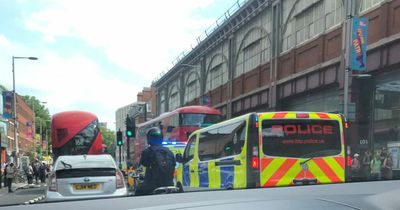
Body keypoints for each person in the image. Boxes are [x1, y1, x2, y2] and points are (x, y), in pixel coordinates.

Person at [135, 127, 175, 196]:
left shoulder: (146, 152)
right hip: (169, 185)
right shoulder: (169, 152)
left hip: (151, 187)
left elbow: (142, 167)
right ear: (161, 138)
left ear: (149, 139)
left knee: (138, 192)